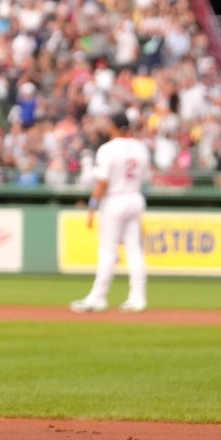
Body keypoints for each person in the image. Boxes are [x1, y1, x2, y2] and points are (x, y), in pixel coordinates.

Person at [70, 112, 151, 314]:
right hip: (135, 196)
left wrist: (92, 206)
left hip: (114, 199)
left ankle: (98, 297)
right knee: (135, 251)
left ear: (114, 126)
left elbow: (102, 183)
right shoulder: (141, 148)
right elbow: (147, 175)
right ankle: (138, 298)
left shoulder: (108, 149)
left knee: (107, 251)